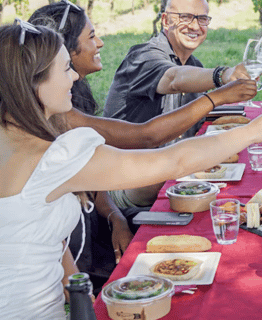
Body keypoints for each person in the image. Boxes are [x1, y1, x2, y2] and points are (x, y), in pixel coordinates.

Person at [0, 21, 262, 318]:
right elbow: (172, 161)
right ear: (34, 82)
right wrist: (252, 132)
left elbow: (31, 231)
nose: (75, 77)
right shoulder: (55, 157)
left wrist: (73, 283)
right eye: (65, 69)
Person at [28, 0, 257, 291]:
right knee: (181, 182)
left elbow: (87, 170)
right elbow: (151, 130)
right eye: (92, 36)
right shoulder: (141, 58)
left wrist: (116, 217)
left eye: (203, 18)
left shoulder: (71, 97)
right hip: (113, 196)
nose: (101, 43)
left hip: (102, 202)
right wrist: (219, 91)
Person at [103, 0, 251, 209]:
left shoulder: (194, 65)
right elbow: (173, 79)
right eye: (185, 17)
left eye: (202, 19)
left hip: (170, 170)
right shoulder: (143, 56)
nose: (195, 26)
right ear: (165, 20)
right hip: (124, 178)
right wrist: (222, 75)